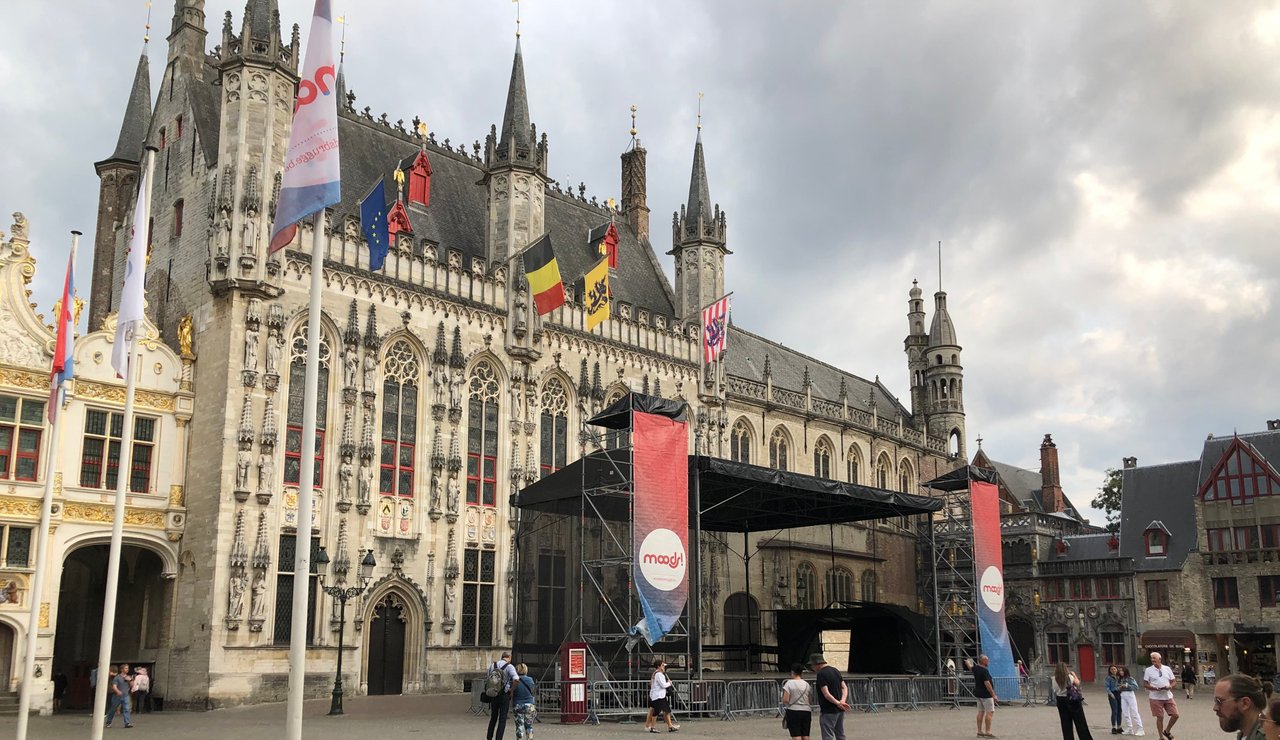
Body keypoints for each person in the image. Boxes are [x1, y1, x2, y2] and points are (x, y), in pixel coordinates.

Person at [1214, 674, 1266, 740]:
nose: (1215, 708)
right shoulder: (1246, 734)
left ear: (1245, 703)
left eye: (1219, 701)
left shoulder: (1269, 736)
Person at [812, 653, 849, 740]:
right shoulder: (835, 670)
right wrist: (842, 701)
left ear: (816, 664)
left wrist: (837, 703)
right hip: (840, 710)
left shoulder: (821, 674)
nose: (813, 669)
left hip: (828, 709)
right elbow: (844, 687)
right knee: (840, 733)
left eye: (812, 666)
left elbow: (826, 694)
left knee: (827, 735)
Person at [1144, 652, 1179, 740]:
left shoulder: (1167, 669)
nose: (1152, 660)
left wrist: (1170, 686)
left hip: (1167, 696)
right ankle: (1161, 737)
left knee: (1175, 715)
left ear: (1160, 659)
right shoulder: (1148, 670)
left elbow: (1174, 681)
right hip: (1155, 697)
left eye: (1154, 658)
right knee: (1160, 717)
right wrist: (1154, 688)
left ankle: (1167, 731)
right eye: (1151, 658)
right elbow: (1145, 684)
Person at [485, 650, 520, 740]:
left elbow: (488, 677)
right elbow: (516, 679)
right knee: (502, 719)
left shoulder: (493, 665)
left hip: (493, 693)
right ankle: (498, 738)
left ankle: (489, 737)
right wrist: (511, 690)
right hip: (504, 694)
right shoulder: (509, 666)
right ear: (509, 657)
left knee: (493, 718)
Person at [1054, 662, 1093, 740]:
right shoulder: (1069, 677)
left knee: (1065, 722)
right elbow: (1078, 684)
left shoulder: (1054, 678)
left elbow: (1054, 689)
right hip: (1071, 699)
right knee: (1080, 721)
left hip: (1060, 700)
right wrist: (1074, 675)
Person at [644, 658, 679, 733]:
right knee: (657, 712)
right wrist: (669, 683)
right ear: (658, 666)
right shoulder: (659, 675)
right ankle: (653, 727)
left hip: (656, 695)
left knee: (666, 711)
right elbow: (663, 685)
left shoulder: (655, 673)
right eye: (662, 665)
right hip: (659, 696)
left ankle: (670, 726)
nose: (664, 667)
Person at [781, 663, 812, 740]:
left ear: (792, 672)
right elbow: (810, 700)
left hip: (793, 711)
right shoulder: (806, 684)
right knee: (806, 734)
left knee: (796, 734)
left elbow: (785, 700)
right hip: (806, 711)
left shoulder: (789, 683)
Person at [973, 654, 998, 738]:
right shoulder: (984, 671)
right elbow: (987, 684)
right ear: (983, 661)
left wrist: (968, 663)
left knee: (980, 712)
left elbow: (970, 667)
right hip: (986, 695)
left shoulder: (976, 668)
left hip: (978, 693)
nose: (988, 662)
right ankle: (988, 731)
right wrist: (993, 695)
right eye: (987, 660)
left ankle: (979, 731)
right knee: (990, 712)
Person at [511, 663, 536, 740]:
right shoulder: (530, 679)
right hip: (529, 705)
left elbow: (512, 693)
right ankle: (530, 738)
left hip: (518, 705)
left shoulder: (515, 681)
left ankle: (519, 738)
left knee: (519, 725)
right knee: (529, 725)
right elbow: (533, 691)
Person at [104, 664, 134, 729]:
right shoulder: (117, 677)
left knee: (126, 709)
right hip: (117, 696)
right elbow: (114, 686)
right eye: (126, 668)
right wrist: (118, 691)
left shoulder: (129, 677)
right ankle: (108, 722)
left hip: (125, 695)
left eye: (127, 668)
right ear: (122, 669)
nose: (127, 669)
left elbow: (132, 686)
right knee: (113, 709)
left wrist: (130, 680)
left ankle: (127, 723)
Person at [1119, 666, 1146, 736]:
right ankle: (1129, 728)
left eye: (1122, 671)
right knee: (1125, 713)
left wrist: (1127, 686)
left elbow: (1136, 687)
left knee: (1134, 712)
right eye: (1120, 671)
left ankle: (1140, 729)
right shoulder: (1120, 679)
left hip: (1130, 695)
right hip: (1123, 695)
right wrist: (1119, 687)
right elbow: (1117, 687)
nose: (1121, 672)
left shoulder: (1130, 679)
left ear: (1125, 671)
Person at [1107, 665, 1123, 734]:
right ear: (1110, 670)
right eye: (1112, 669)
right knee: (1114, 711)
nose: (1114, 670)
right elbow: (1107, 687)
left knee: (1120, 710)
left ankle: (1119, 727)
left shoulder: (1119, 677)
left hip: (1119, 694)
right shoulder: (1108, 678)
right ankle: (1113, 727)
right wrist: (1111, 694)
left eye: (1115, 669)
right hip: (1112, 694)